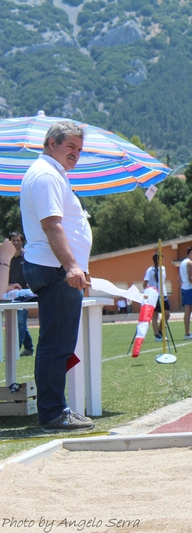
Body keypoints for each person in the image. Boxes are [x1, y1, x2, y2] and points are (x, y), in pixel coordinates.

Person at [20, 120, 95, 432]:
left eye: (79, 149)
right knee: (56, 344)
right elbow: (52, 225)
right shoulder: (47, 175)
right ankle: (53, 413)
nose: (76, 153)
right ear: (51, 142)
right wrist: (71, 266)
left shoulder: (50, 174)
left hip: (54, 268)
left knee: (56, 342)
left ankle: (55, 409)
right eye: (70, 147)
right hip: (55, 269)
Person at [8, 232, 34, 356]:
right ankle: (29, 348)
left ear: (22, 241)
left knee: (20, 321)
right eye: (13, 240)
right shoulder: (9, 258)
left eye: (18, 240)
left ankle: (14, 351)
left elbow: (34, 270)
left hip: (26, 294)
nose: (16, 242)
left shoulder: (28, 256)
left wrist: (32, 281)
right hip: (11, 294)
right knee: (19, 322)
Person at [143, 252, 170, 341]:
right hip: (154, 294)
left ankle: (159, 329)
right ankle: (156, 335)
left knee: (167, 313)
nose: (163, 260)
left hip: (163, 294)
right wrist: (148, 293)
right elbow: (145, 283)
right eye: (161, 259)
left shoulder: (163, 268)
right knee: (155, 315)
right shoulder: (150, 270)